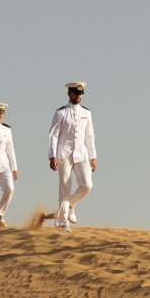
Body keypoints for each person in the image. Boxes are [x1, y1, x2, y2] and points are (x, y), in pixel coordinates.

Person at [48, 81, 97, 232]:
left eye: (80, 94)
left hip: (81, 154)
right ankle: (63, 222)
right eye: (75, 93)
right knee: (64, 186)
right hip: (64, 154)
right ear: (69, 93)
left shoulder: (86, 113)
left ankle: (70, 204)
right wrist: (52, 156)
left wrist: (93, 157)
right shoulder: (60, 112)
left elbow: (90, 136)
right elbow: (53, 136)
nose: (78, 96)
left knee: (87, 185)